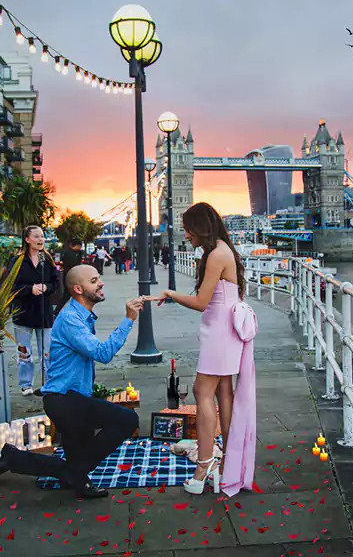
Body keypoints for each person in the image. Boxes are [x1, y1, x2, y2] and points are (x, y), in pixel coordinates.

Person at [0, 265, 144, 499]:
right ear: (78, 289)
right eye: (94, 281)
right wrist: (129, 320)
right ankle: (74, 474)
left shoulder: (80, 314)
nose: (101, 283)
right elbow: (103, 353)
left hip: (74, 398)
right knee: (127, 419)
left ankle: (15, 458)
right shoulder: (71, 319)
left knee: (74, 468)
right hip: (65, 401)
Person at [146, 202, 256, 496]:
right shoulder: (222, 250)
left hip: (219, 333)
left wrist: (170, 294)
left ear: (201, 228)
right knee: (223, 392)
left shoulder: (216, 255)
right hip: (223, 331)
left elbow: (201, 303)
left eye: (188, 228)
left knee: (201, 392)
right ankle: (230, 460)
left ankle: (204, 464)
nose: (185, 234)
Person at [8, 226, 60, 396]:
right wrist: (29, 289)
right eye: (36, 236)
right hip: (23, 313)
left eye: (42, 236)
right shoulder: (17, 261)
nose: (40, 239)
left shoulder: (48, 260)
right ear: (27, 239)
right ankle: (25, 384)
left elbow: (56, 285)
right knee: (24, 352)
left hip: (44, 313)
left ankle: (49, 384)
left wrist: (46, 287)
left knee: (47, 352)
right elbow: (10, 286)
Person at [54, 239, 85, 315]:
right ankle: (57, 311)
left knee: (69, 295)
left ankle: (58, 311)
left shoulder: (69, 253)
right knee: (70, 295)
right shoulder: (70, 254)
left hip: (68, 276)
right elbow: (75, 265)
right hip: (71, 277)